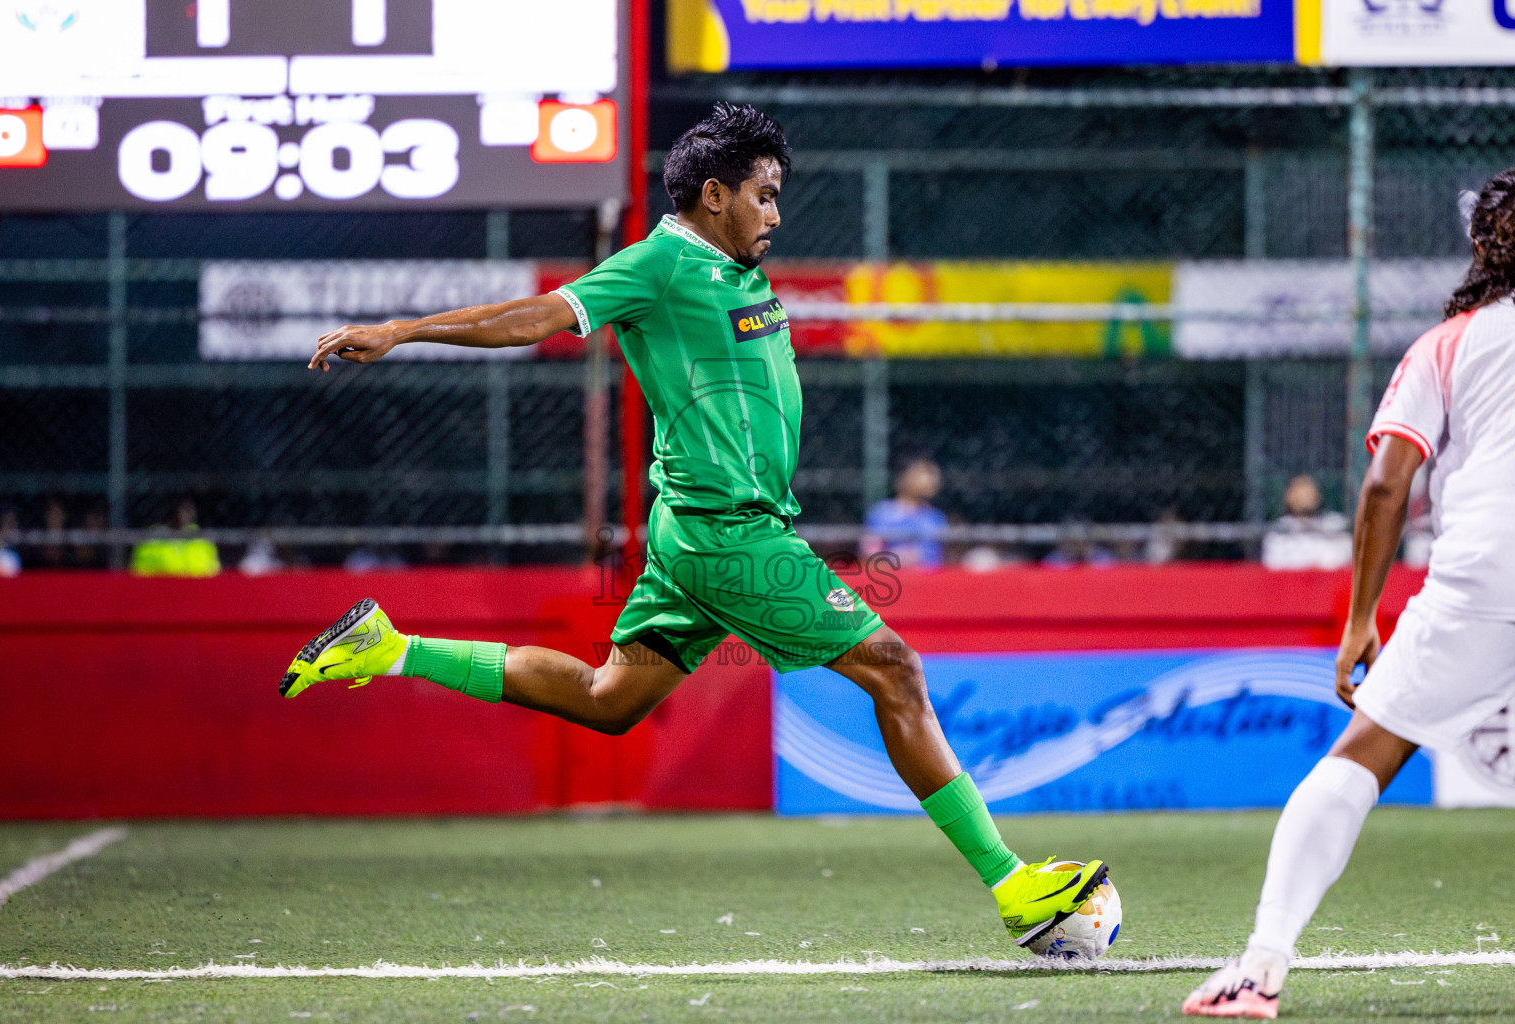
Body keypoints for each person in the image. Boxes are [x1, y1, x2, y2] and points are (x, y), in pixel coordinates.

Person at [282, 103, 1105, 947]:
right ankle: (1014, 886)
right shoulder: (660, 264)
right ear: (714, 195)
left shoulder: (740, 271)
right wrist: (404, 331)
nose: (776, 215)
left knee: (609, 700)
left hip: (696, 535)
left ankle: (388, 648)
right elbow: (535, 316)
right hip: (729, 536)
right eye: (764, 195)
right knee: (896, 672)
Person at [1184, 168, 1515, 1018]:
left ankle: (1260, 968)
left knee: (1362, 757)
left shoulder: (1450, 343)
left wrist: (1362, 616)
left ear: (1483, 245)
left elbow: (1384, 486)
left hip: (1482, 579)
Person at [860, 457, 947, 569]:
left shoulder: (936, 517)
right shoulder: (881, 513)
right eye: (924, 473)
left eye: (933, 474)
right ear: (902, 478)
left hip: (930, 580)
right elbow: (869, 555)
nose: (931, 480)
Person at [1260, 474, 1352, 571]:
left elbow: (1341, 560)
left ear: (1318, 496)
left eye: (1308, 491)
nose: (1305, 496)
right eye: (1299, 491)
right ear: (1288, 497)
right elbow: (1275, 566)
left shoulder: (1336, 525)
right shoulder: (1278, 532)